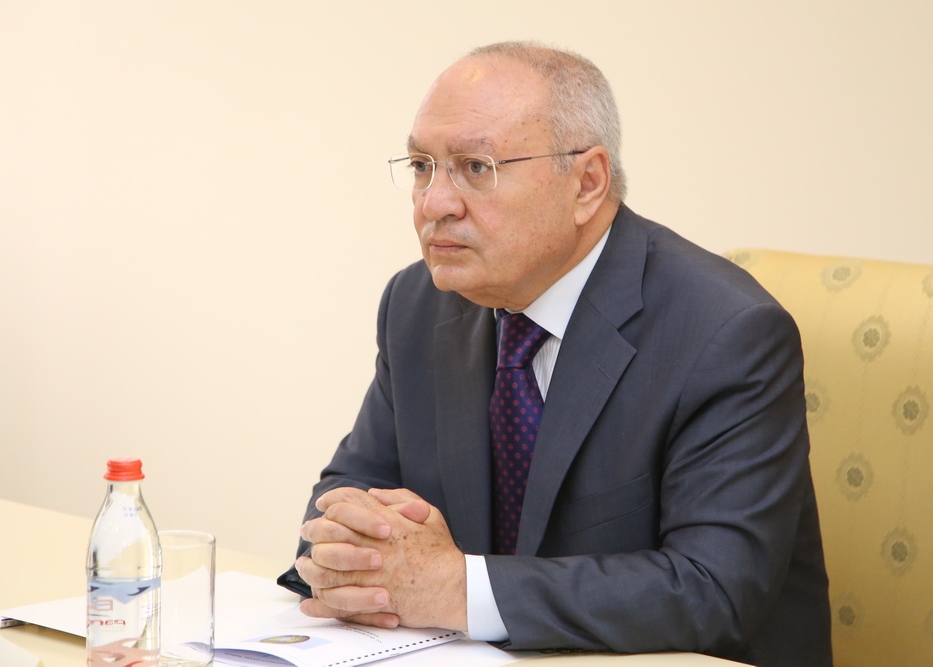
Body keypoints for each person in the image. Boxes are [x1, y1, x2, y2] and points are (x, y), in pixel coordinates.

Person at [278, 41, 832, 667]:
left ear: (587, 183)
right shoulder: (420, 303)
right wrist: (350, 547)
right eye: (422, 166)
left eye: (476, 167)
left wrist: (458, 589)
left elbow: (714, 591)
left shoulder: (725, 333)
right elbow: (346, 496)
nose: (434, 203)